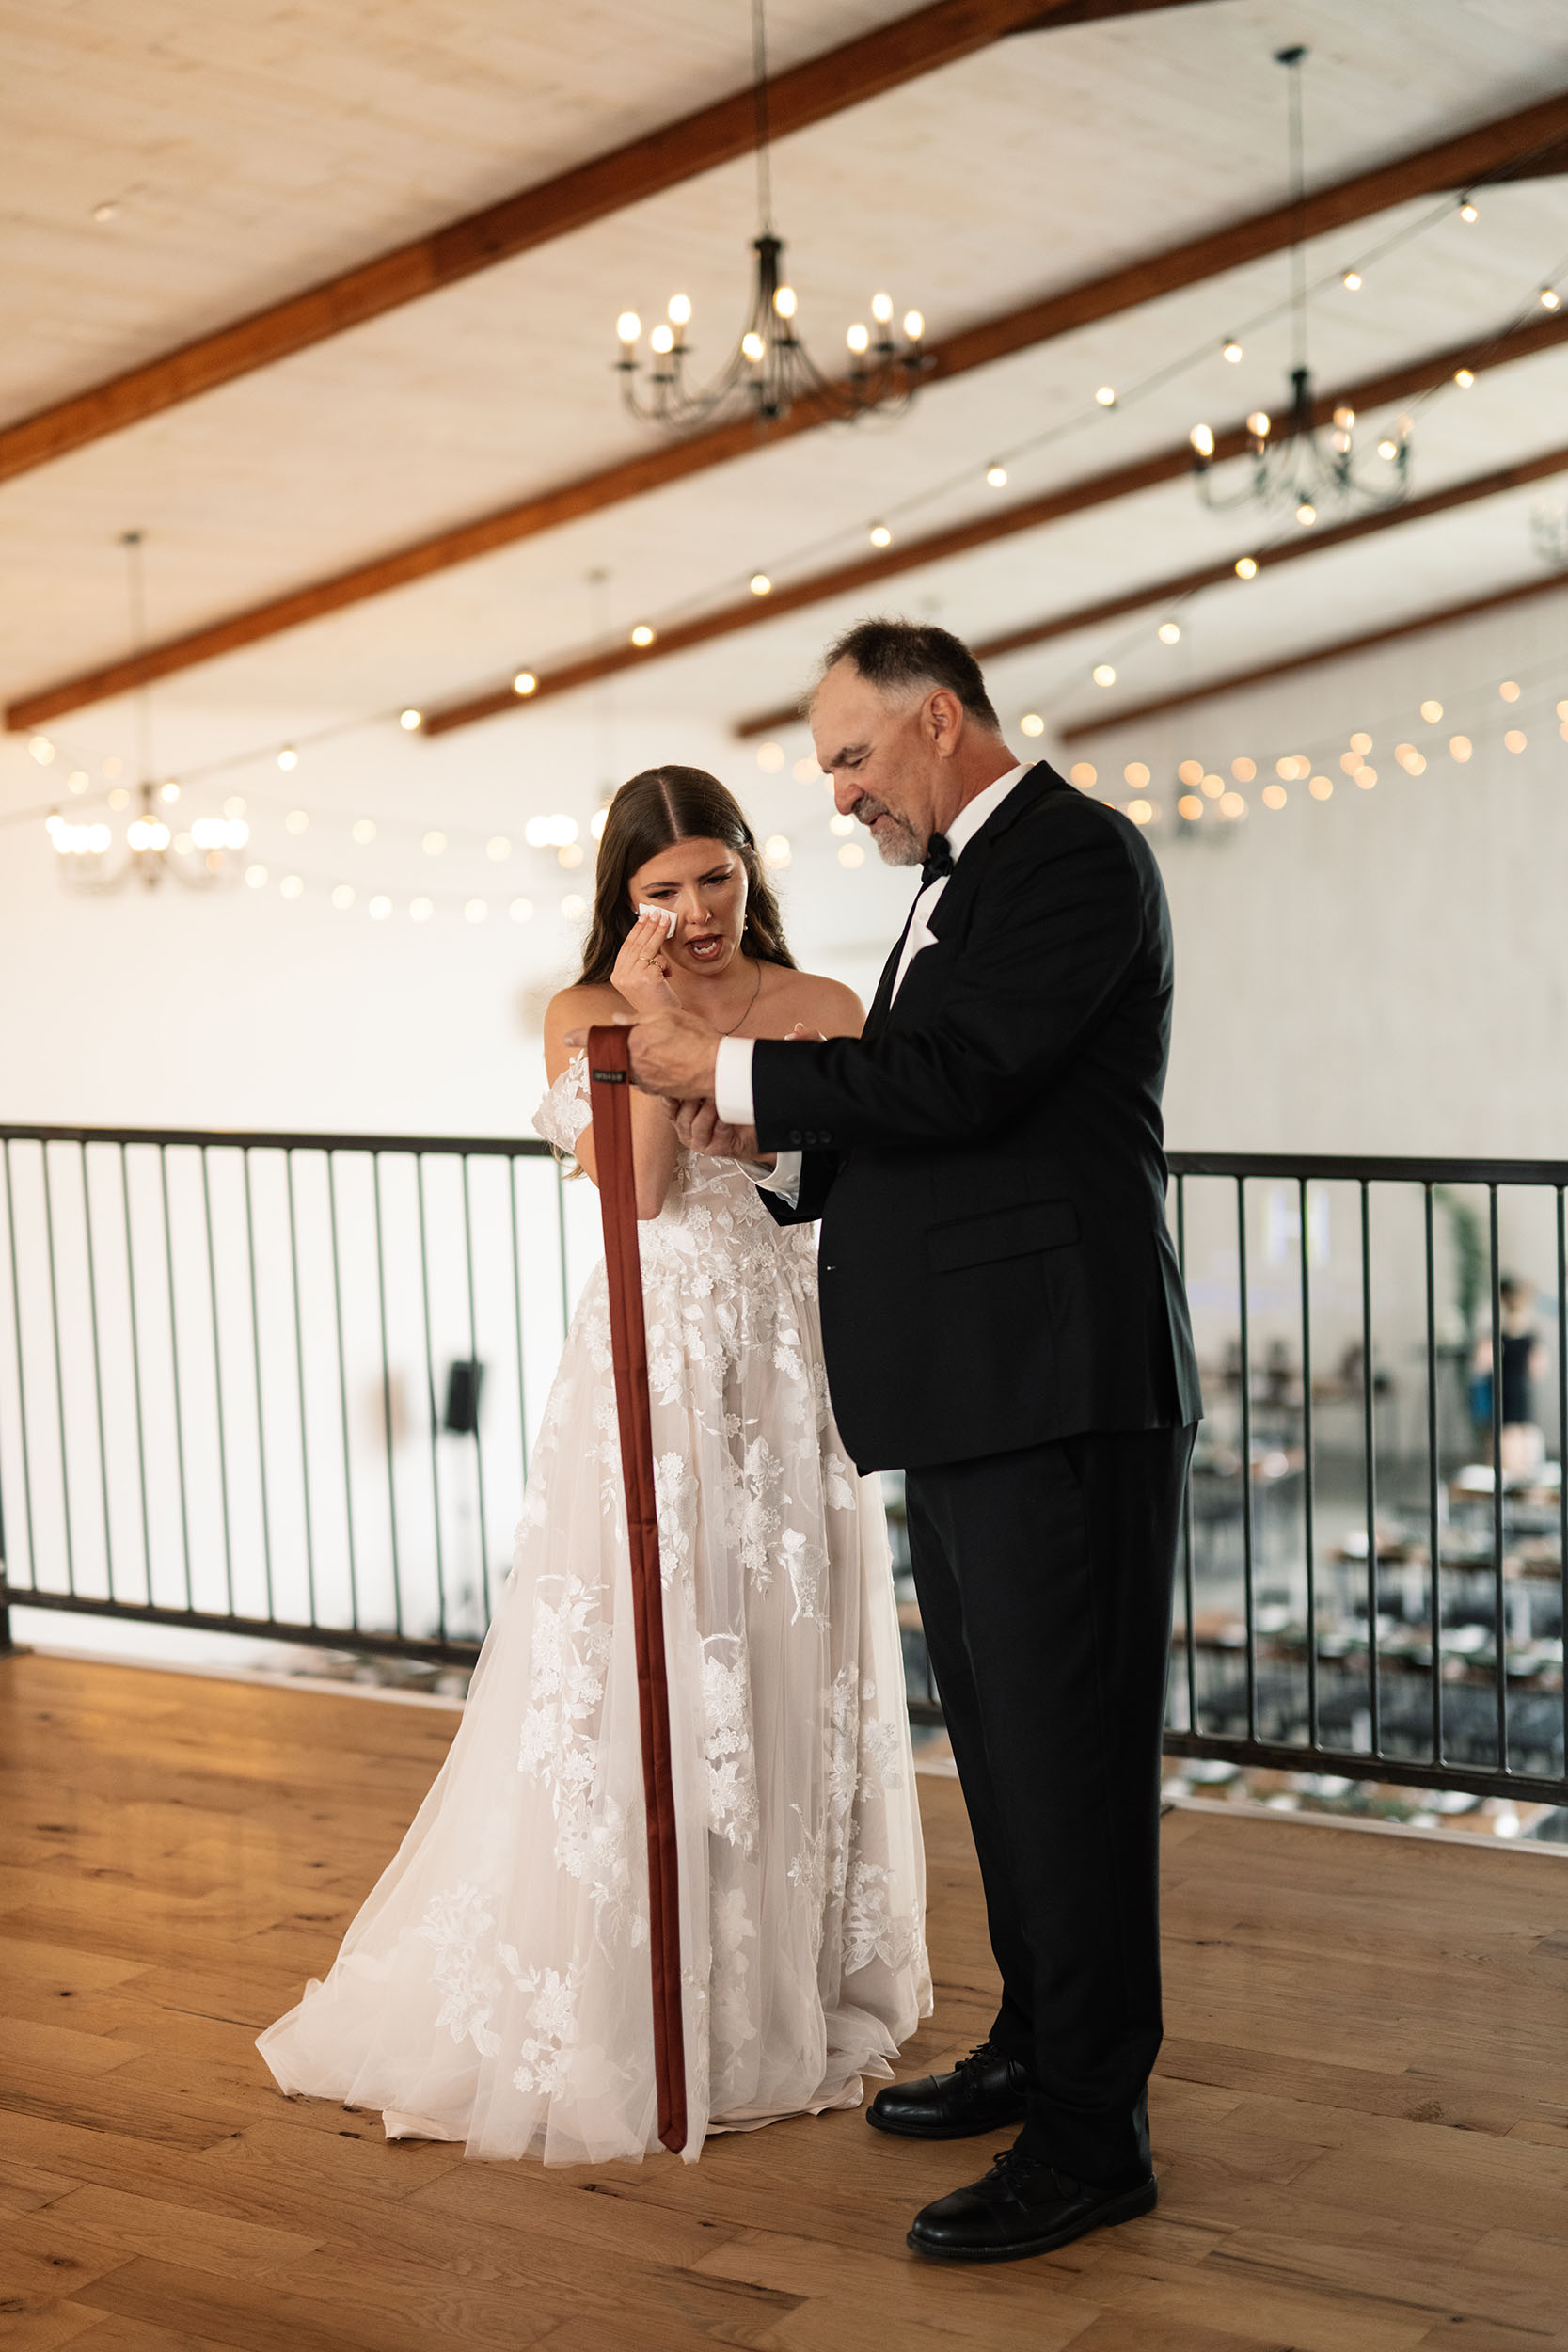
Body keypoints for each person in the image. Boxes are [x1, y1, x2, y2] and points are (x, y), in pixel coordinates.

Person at [609, 621, 1201, 2262]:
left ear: (939, 719)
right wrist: (768, 1137)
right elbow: (935, 1118)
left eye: (855, 757)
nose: (843, 793)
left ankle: (1096, 2134)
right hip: (979, 1383)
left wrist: (703, 1061)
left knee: (1069, 1761)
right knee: (1008, 1750)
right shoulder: (967, 879)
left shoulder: (1076, 857)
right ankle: (1040, 2041)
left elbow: (953, 1076)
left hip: (1059, 1380)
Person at [258, 765, 930, 2163]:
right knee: (651, 1651)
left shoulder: (822, 1008)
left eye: (717, 877)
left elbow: (839, 1183)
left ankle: (776, 1981)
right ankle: (636, 1983)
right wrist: (656, 1024)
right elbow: (636, 1193)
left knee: (787, 1659)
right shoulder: (587, 1014)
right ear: (623, 900)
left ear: (752, 866)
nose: (695, 910)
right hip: (652, 1358)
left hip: (788, 1360)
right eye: (662, 889)